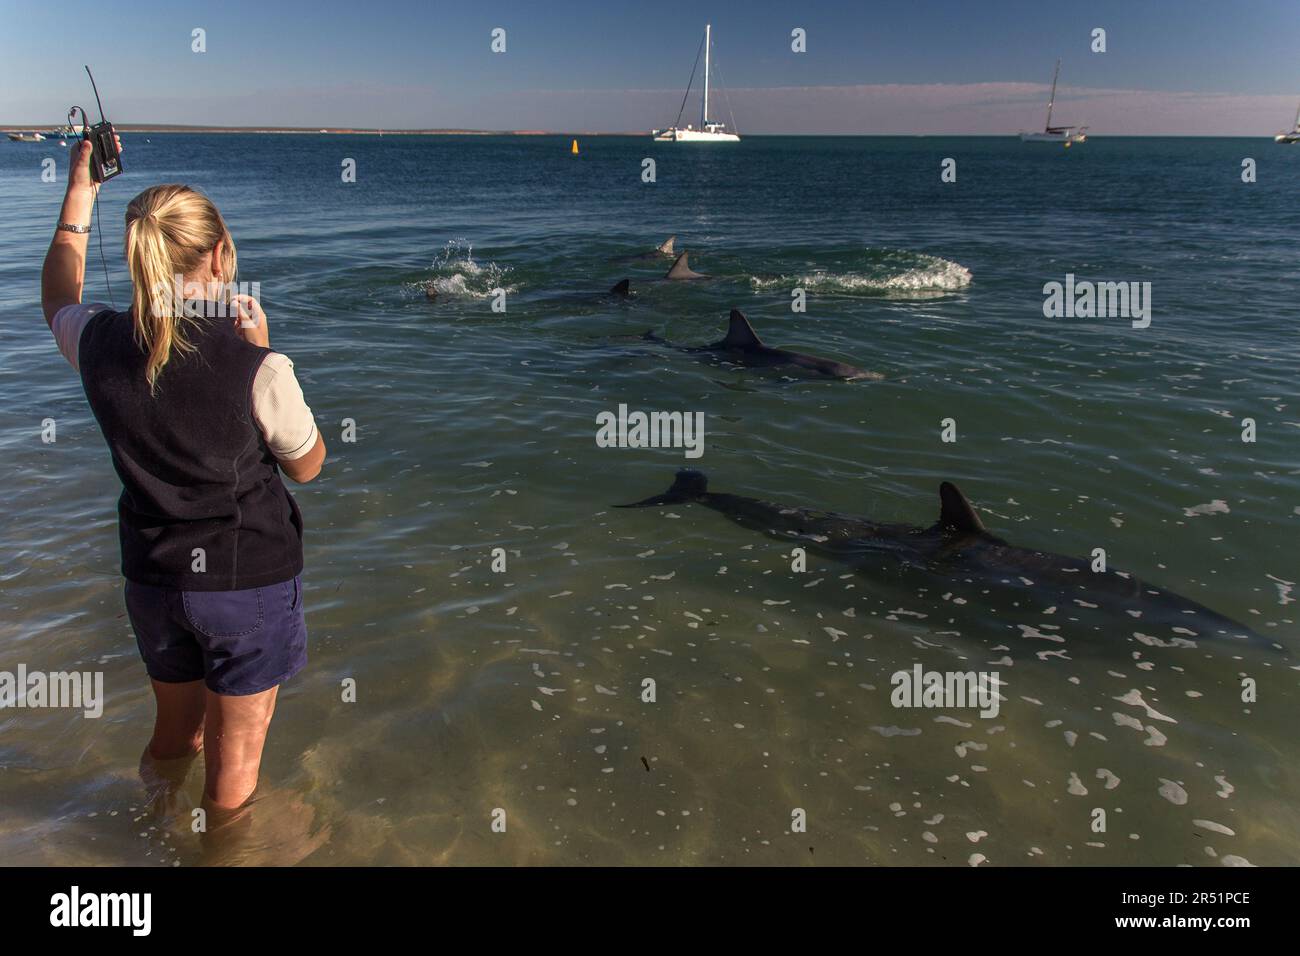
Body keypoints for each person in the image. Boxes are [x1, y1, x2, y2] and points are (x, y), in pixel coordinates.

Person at [41, 136, 326, 810]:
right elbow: (308, 466)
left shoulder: (98, 342)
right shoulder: (260, 368)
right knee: (234, 774)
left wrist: (82, 187)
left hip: (154, 580)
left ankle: (151, 829)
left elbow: (58, 296)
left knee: (175, 738)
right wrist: (262, 353)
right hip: (244, 587)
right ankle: (212, 858)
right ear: (222, 256)